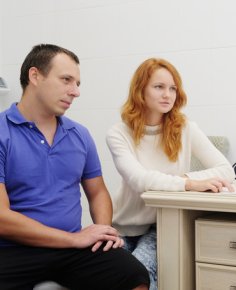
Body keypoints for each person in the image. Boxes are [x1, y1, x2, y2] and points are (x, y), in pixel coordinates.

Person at [0, 44, 149, 290]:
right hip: (12, 251)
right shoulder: (3, 132)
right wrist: (74, 238)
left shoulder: (79, 134)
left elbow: (98, 191)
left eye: (77, 83)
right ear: (35, 76)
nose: (75, 91)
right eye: (67, 80)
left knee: (133, 275)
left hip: (72, 251)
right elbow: (2, 218)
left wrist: (103, 232)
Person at [106, 58, 236, 289]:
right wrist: (188, 184)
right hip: (121, 228)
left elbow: (226, 169)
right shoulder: (119, 133)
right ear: (140, 90)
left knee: (137, 274)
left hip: (164, 225)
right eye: (159, 87)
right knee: (103, 277)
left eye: (173, 88)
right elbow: (140, 180)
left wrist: (188, 180)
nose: (168, 94)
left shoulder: (185, 128)